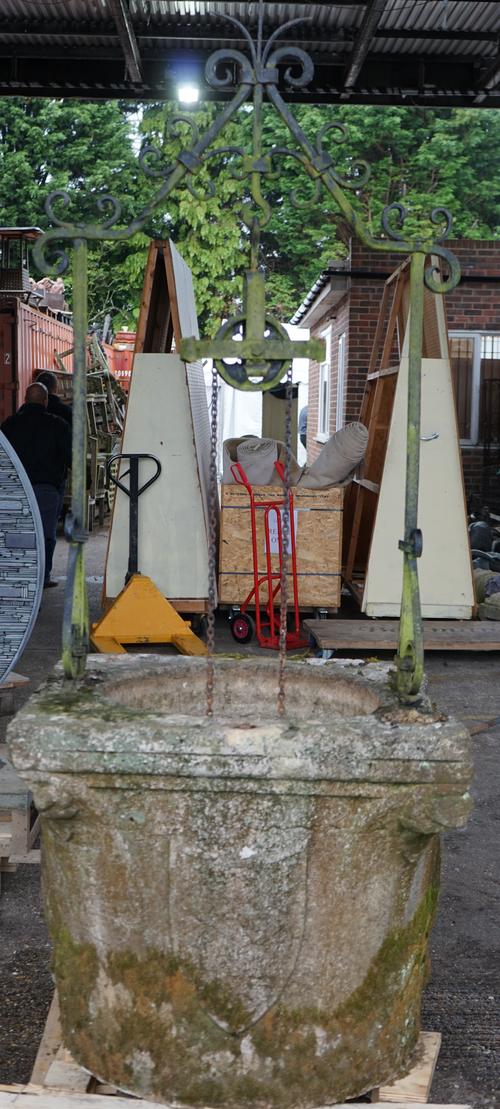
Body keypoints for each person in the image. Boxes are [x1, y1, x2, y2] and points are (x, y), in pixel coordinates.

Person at [2, 382, 71, 588]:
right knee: (45, 536)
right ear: (45, 400)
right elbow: (70, 456)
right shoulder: (58, 425)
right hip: (46, 490)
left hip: (15, 490)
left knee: (14, 533)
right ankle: (43, 576)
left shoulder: (9, 425)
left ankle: (15, 574)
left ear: (25, 399)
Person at [35, 369, 72, 521]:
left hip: (28, 476)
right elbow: (72, 446)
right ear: (55, 388)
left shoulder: (18, 419)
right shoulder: (66, 412)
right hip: (54, 477)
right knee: (50, 523)